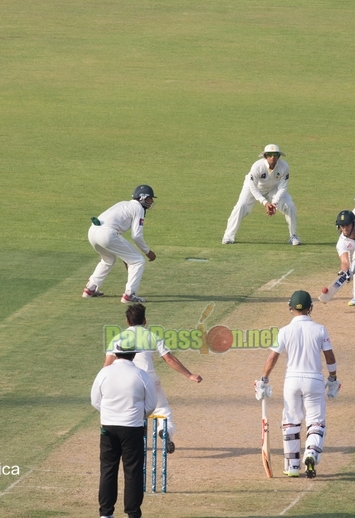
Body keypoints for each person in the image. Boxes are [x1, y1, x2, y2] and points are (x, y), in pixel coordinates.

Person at [254, 290, 339, 478]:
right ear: (311, 308)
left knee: (291, 422)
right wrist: (332, 377)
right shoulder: (320, 329)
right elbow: (330, 357)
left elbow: (272, 357)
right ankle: (311, 453)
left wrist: (264, 380)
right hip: (314, 381)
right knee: (316, 422)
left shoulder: (284, 331)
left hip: (291, 381)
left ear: (290, 307)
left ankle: (292, 467)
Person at [104, 303, 203, 453]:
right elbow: (169, 359)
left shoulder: (118, 338)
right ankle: (164, 431)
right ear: (144, 321)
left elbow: (108, 365)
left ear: (127, 321)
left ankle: (131, 442)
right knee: (163, 411)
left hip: (126, 383)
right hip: (149, 380)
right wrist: (189, 375)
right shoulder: (152, 336)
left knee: (131, 412)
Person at [91, 335, 157, 518]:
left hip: (109, 427)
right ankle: (133, 513)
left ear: (117, 353)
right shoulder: (141, 374)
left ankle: (105, 513)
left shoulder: (104, 373)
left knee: (108, 469)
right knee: (133, 471)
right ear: (134, 354)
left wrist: (110, 414)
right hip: (132, 427)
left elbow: (95, 401)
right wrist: (138, 416)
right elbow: (151, 403)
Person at [83, 185, 157, 303]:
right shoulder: (139, 208)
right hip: (107, 234)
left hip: (92, 232)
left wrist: (125, 256)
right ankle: (129, 295)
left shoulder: (123, 204)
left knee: (108, 259)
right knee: (138, 261)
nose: (151, 202)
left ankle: (90, 288)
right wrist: (148, 252)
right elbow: (136, 235)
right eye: (150, 199)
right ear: (142, 197)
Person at [222, 144, 300, 246]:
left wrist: (274, 203)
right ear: (265, 156)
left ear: (279, 156)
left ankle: (293, 235)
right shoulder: (257, 167)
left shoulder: (284, 167)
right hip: (253, 187)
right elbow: (253, 187)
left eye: (275, 154)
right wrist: (265, 203)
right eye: (270, 155)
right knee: (241, 206)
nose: (273, 157)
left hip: (273, 189)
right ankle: (228, 236)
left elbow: (283, 187)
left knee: (289, 205)